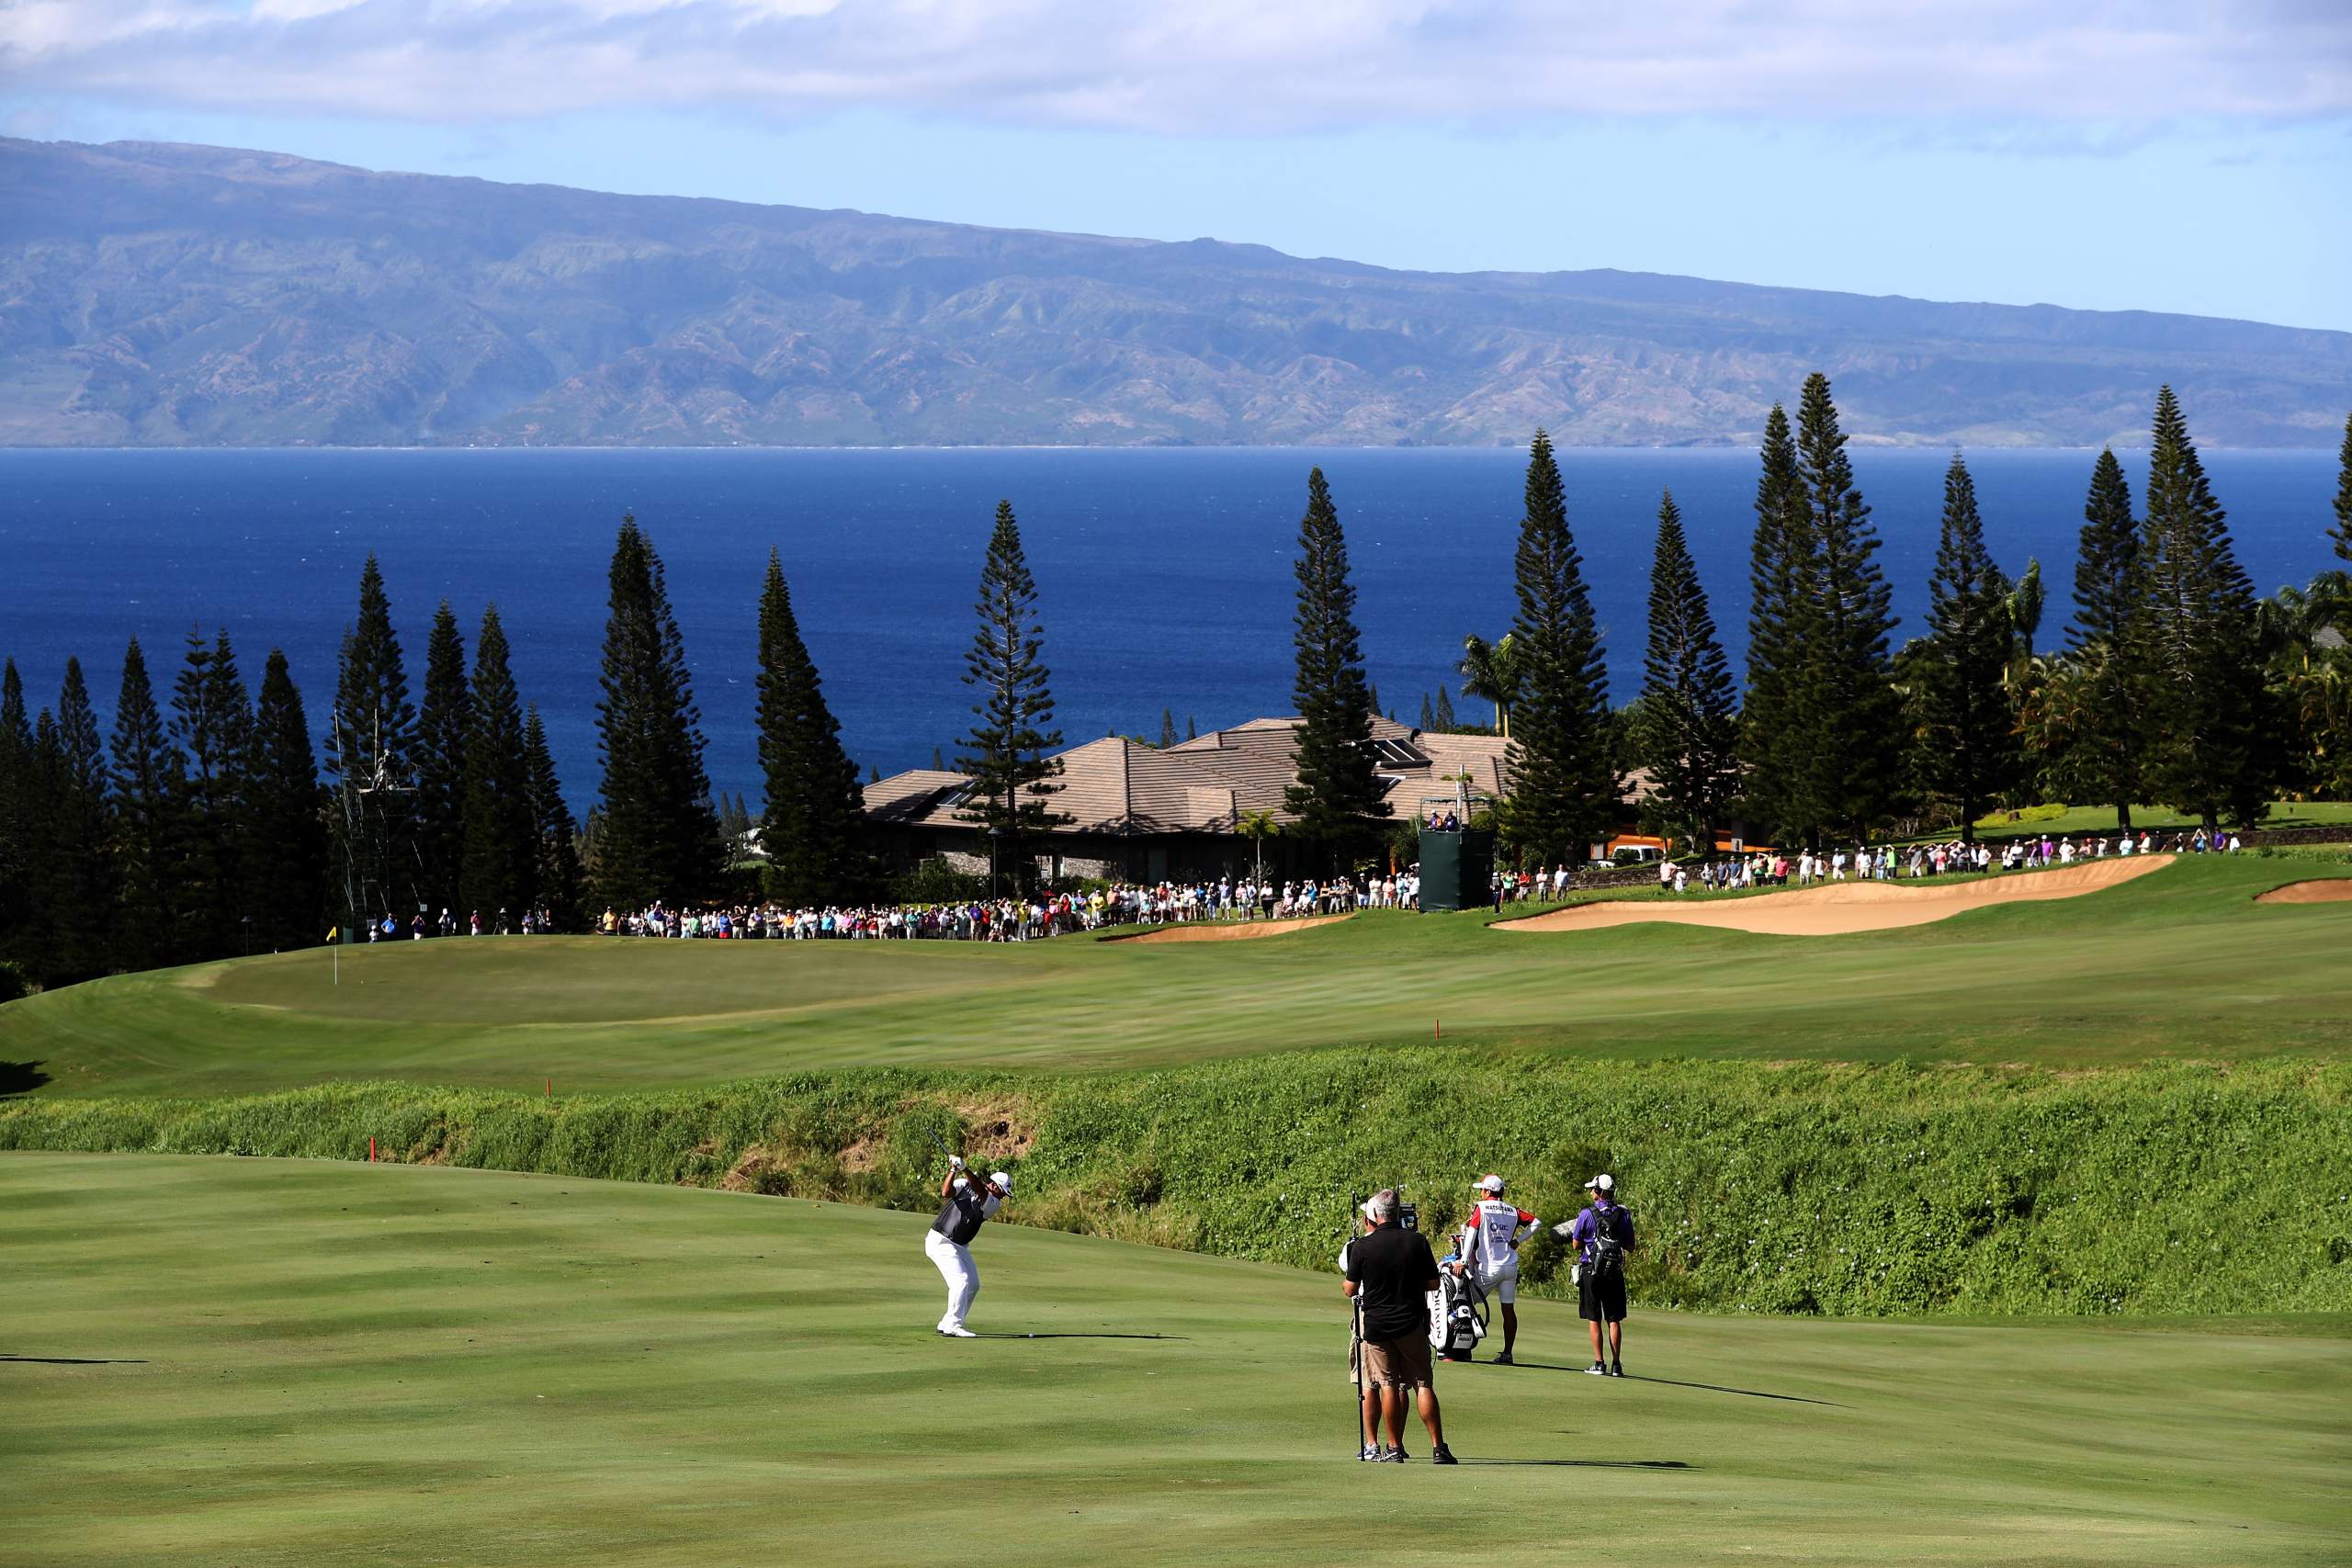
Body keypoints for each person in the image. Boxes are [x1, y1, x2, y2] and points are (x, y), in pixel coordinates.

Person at [1342, 1190, 1456, 1464]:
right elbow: (1433, 1283)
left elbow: (1349, 1289)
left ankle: (1393, 1448)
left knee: (1388, 1385)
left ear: (1375, 1215)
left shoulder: (1362, 1247)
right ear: (1399, 1213)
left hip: (1377, 1326)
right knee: (1422, 1383)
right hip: (1411, 1323)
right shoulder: (1416, 1241)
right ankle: (1438, 1448)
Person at [1453, 1174, 1538, 1364]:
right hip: (1510, 1267)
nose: (1481, 1193)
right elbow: (1536, 1223)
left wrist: (1463, 1261)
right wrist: (1518, 1240)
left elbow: (1472, 1232)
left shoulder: (1481, 1207)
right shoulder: (1512, 1210)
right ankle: (1507, 1353)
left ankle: (1463, 1347)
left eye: (1482, 1190)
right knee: (1508, 1310)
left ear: (1488, 1191)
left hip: (1489, 1268)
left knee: (1464, 1301)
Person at [924, 1157, 1012, 1337]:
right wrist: (954, 1169)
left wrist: (966, 1168)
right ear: (994, 1186)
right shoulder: (964, 1183)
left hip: (960, 1246)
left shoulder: (993, 1204)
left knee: (973, 1284)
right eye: (1002, 1192)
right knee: (961, 1281)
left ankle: (948, 1321)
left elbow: (980, 1191)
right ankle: (954, 1326)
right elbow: (946, 1192)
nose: (1003, 1196)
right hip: (940, 1240)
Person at [1561, 1174, 1636, 1376]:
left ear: (1599, 1192)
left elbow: (1576, 1244)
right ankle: (1617, 1365)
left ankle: (1599, 1363)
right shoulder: (1624, 1214)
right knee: (1614, 1319)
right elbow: (1630, 1246)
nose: (1591, 1192)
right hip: (1614, 1272)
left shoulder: (1587, 1213)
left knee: (1594, 1318)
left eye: (1593, 1189)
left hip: (1591, 1271)